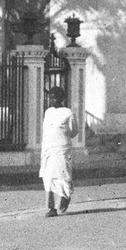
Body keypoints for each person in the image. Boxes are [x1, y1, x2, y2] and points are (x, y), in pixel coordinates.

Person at [40, 86, 77, 217]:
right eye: (50, 98)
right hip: (48, 150)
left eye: (55, 98)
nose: (52, 100)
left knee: (62, 177)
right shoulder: (48, 112)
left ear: (61, 99)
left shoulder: (68, 113)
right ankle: (52, 208)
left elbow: (74, 131)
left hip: (61, 150)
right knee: (48, 179)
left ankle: (63, 201)